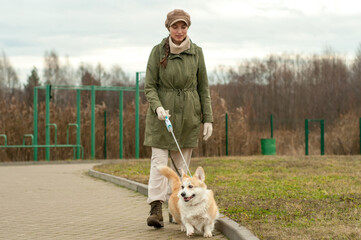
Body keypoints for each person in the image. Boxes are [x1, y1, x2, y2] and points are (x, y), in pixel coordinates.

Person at [143, 9, 213, 228]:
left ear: (188, 28)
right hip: (162, 118)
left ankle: (178, 210)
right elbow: (149, 86)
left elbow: (203, 88)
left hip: (188, 117)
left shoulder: (197, 53)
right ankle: (156, 207)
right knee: (159, 164)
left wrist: (207, 118)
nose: (179, 31)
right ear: (168, 28)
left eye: (183, 27)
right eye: (175, 27)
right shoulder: (157, 52)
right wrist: (158, 108)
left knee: (183, 167)